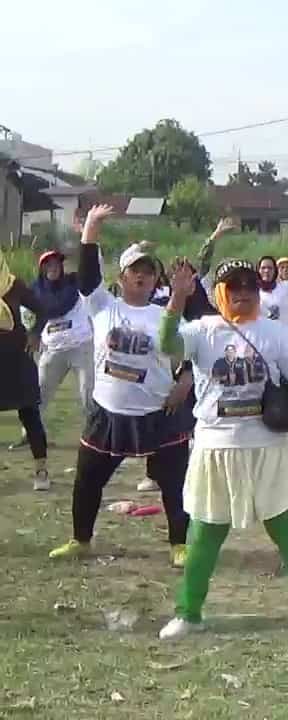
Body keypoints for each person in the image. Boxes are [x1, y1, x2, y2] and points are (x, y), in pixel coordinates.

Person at [156, 257, 288, 639]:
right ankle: (189, 611)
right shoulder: (204, 330)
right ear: (220, 292)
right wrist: (177, 299)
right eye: (234, 286)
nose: (242, 292)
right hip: (215, 446)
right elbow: (167, 343)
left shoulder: (273, 333)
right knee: (205, 533)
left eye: (248, 286)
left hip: (266, 446)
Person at [48, 204, 194, 564]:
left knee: (175, 486)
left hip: (157, 414)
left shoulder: (164, 315)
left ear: (156, 280)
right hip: (108, 414)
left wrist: (186, 381)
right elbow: (85, 275)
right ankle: (81, 540)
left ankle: (180, 545)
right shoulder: (102, 306)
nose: (142, 276)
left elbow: (194, 351)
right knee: (87, 482)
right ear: (122, 276)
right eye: (135, 270)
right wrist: (91, 229)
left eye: (149, 271)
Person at [18, 248, 94, 450]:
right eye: (48, 264)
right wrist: (33, 333)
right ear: (42, 268)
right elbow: (30, 316)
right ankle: (30, 434)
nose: (53, 268)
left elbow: (92, 272)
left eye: (56, 264)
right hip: (52, 349)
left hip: (81, 346)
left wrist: (86, 241)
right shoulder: (34, 290)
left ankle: (96, 437)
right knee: (39, 393)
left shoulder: (74, 283)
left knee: (89, 394)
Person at [0, 247, 50, 489]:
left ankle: (41, 470)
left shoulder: (14, 285)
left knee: (29, 414)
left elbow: (41, 309)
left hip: (17, 359)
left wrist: (35, 333)